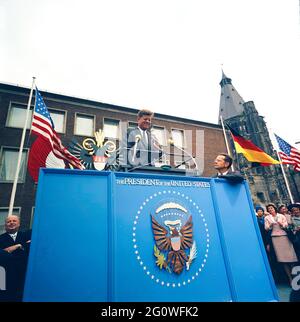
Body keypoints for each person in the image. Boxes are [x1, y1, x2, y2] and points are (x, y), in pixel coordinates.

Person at [264, 204, 298, 285]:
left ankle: (295, 278)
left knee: (291, 257)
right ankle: (290, 279)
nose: (270, 210)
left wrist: (281, 224)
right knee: (282, 260)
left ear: (274, 208)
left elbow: (286, 225)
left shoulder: (281, 216)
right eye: (269, 209)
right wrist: (270, 225)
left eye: (271, 208)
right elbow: (266, 228)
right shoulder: (267, 218)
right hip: (275, 238)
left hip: (284, 236)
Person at [0, 215, 31, 301]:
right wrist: (18, 246)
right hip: (6, 275)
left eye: (14, 221)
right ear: (5, 225)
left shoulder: (27, 235)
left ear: (19, 223)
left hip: (23, 274)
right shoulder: (0, 238)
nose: (11, 223)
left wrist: (9, 250)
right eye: (9, 221)